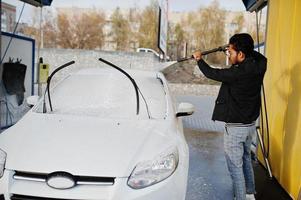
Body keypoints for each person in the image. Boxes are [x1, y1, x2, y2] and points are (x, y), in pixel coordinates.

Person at [193, 33, 267, 200]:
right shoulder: (261, 65)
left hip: (235, 130)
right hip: (249, 126)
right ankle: (250, 193)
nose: (229, 55)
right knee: (246, 159)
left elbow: (212, 73)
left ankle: (241, 197)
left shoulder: (236, 74)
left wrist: (199, 59)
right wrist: (239, 47)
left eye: (231, 52)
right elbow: (258, 56)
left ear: (241, 54)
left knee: (235, 168)